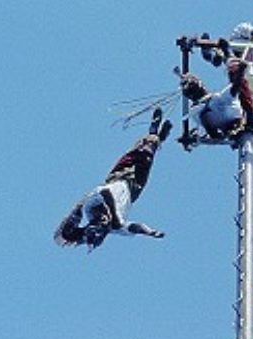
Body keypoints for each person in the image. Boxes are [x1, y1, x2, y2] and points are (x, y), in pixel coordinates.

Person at [54, 108, 171, 252]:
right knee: (148, 157)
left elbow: (106, 194)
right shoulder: (115, 227)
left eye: (101, 221)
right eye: (105, 226)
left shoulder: (90, 207)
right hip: (135, 189)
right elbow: (134, 228)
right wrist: (150, 232)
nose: (106, 221)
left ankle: (154, 132)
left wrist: (114, 216)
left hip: (119, 176)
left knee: (142, 151)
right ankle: (157, 137)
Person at [180, 57, 251, 140]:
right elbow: (235, 87)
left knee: (205, 112)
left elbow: (235, 87)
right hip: (220, 124)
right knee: (203, 113)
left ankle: (233, 129)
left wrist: (241, 71)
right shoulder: (196, 111)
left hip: (234, 119)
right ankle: (220, 133)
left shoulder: (218, 99)